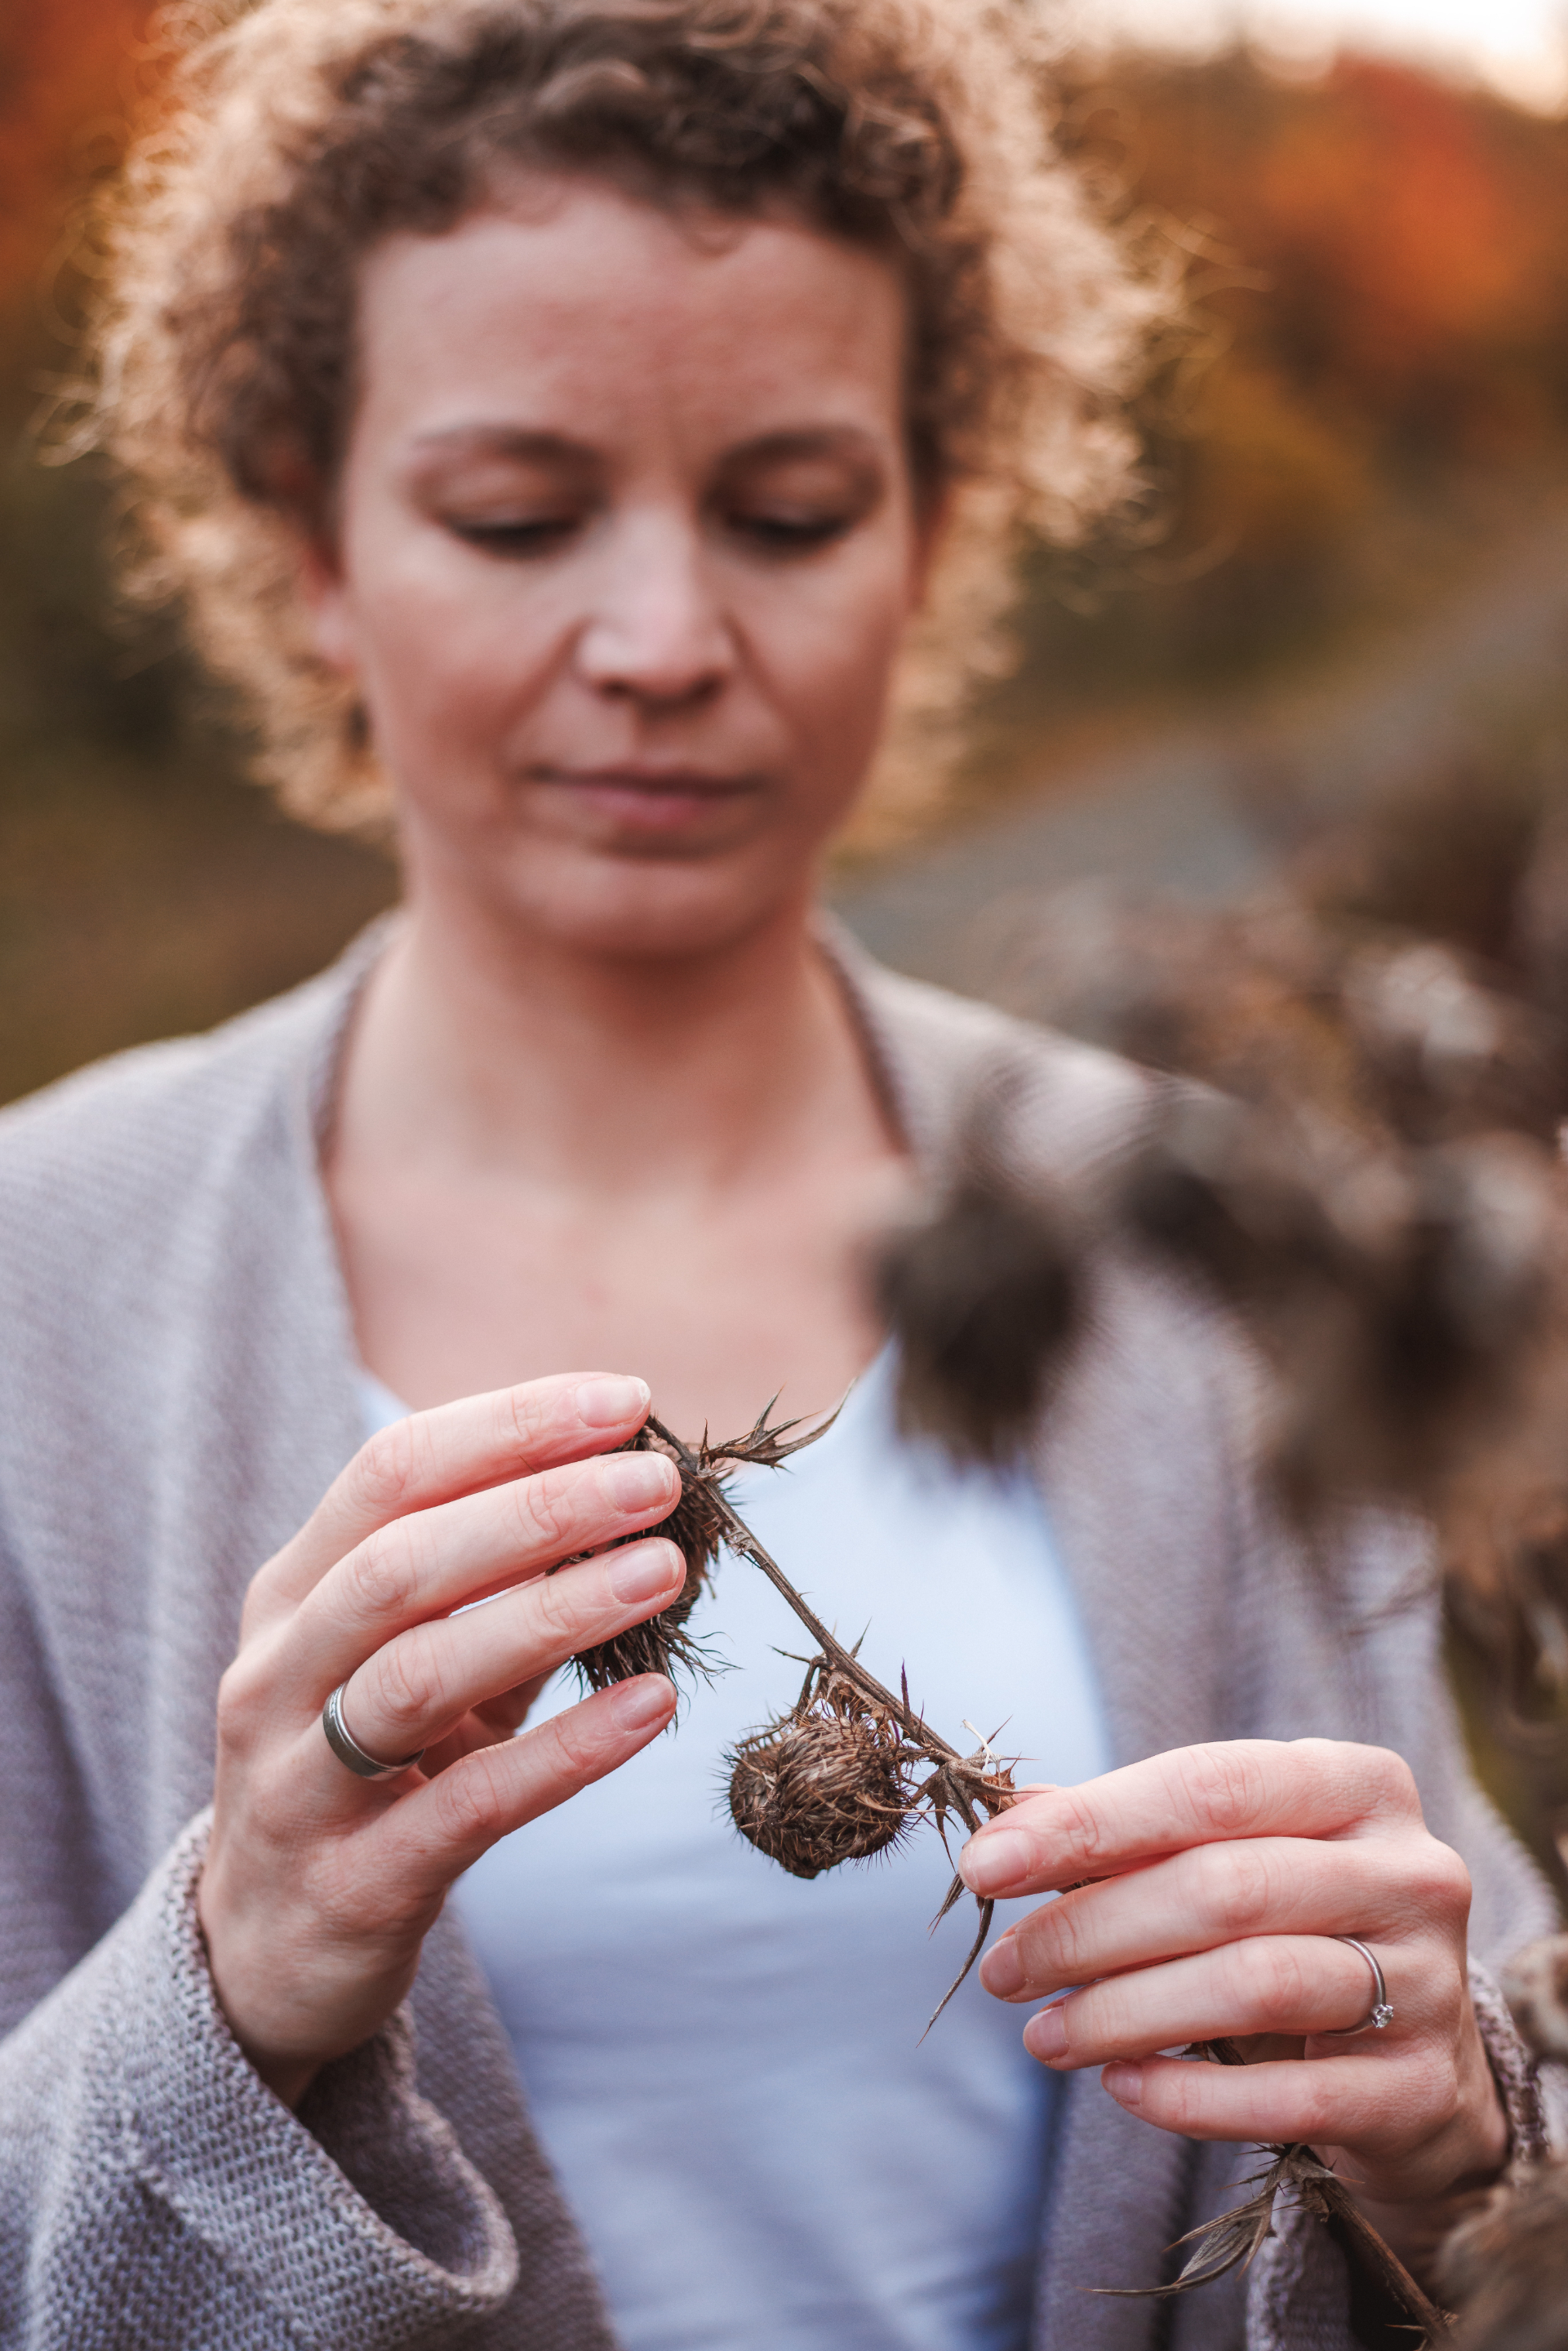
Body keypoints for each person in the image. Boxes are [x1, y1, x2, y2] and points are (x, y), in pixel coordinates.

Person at [0, 3, 1557, 2346]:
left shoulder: (1202, 1234)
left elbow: (1493, 2093)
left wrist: (1458, 2130)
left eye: (789, 513)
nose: (661, 641)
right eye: (515, 517)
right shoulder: (40, 1289)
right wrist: (229, 1994)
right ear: (306, 542)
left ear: (937, 533)